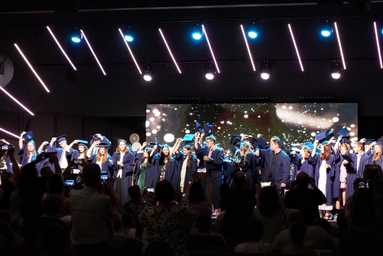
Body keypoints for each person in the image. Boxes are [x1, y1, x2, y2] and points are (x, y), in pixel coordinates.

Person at [140, 180, 193, 256]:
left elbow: (141, 222)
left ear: (156, 195)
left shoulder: (147, 212)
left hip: (153, 252)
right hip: (176, 251)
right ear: (172, 194)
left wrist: (151, 202)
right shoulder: (181, 212)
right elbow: (190, 222)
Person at [70, 164, 113, 256]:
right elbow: (114, 220)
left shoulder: (72, 195)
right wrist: (110, 193)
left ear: (83, 177)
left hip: (77, 245)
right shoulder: (104, 199)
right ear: (98, 178)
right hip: (98, 245)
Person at [195, 135, 224, 212]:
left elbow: (220, 162)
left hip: (217, 174)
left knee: (216, 192)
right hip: (208, 174)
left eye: (208, 142)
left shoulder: (219, 150)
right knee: (208, 192)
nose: (206, 143)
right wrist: (197, 139)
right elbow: (198, 151)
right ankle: (209, 209)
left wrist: (210, 159)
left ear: (212, 142)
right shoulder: (207, 150)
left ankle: (217, 209)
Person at [112, 139, 136, 205]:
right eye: (120, 145)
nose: (122, 146)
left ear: (125, 145)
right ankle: (117, 206)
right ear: (118, 146)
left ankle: (125, 206)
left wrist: (123, 165)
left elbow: (132, 166)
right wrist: (116, 163)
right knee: (116, 191)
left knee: (125, 192)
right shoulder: (115, 154)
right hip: (117, 175)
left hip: (125, 176)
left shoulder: (130, 155)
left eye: (123, 144)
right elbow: (112, 164)